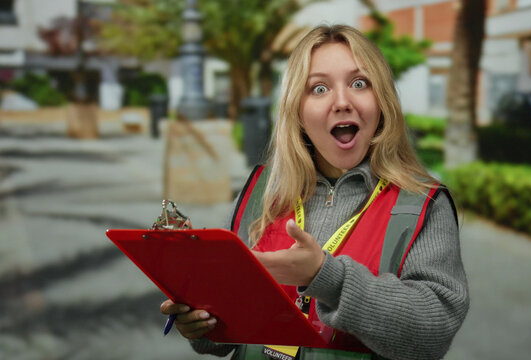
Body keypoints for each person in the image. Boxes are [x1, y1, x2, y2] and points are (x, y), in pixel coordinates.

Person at [160, 24, 469, 360]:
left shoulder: (423, 203)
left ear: (382, 101)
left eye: (359, 83)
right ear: (297, 111)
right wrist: (199, 324)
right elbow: (220, 334)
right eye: (319, 88)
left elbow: (433, 335)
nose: (342, 102)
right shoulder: (259, 193)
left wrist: (329, 277)